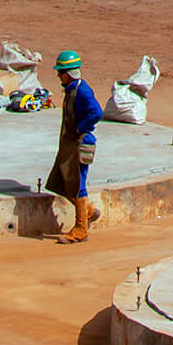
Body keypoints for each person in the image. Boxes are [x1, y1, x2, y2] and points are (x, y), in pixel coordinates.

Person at [45, 49, 103, 244]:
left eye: (61, 72)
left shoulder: (82, 91)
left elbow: (96, 113)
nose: (58, 76)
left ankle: (80, 229)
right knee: (60, 182)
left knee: (77, 185)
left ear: (69, 73)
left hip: (79, 144)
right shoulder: (71, 89)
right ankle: (88, 212)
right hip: (69, 144)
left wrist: (80, 128)